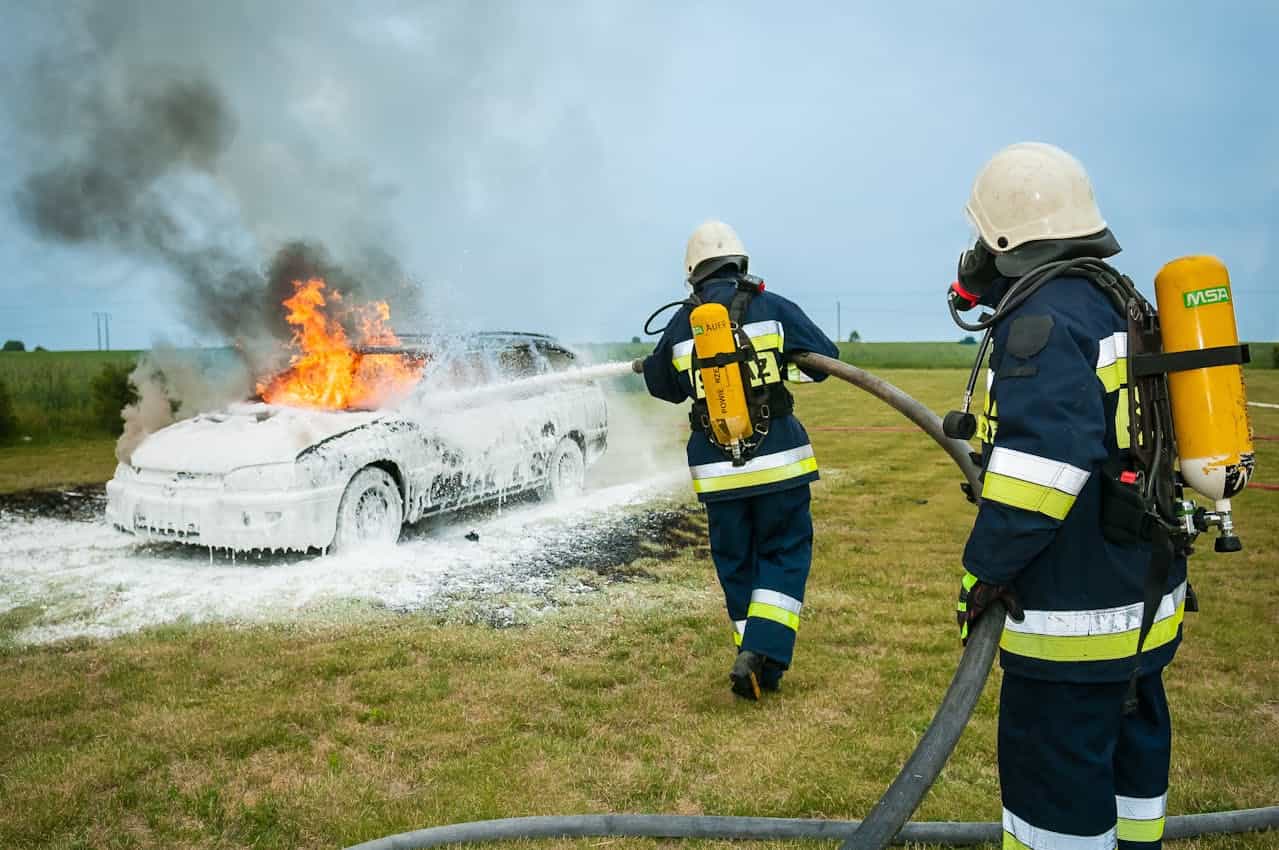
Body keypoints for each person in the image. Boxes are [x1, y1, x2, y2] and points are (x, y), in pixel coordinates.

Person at [951, 143, 1187, 850]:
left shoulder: (1039, 326)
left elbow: (1037, 475)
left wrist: (983, 573)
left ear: (999, 236)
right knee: (1130, 754)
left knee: (1050, 783)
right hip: (1142, 595)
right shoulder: (1113, 297)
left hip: (1071, 612)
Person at [638, 220, 838, 700]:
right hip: (779, 461)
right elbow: (825, 359)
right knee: (784, 552)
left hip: (717, 470)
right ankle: (762, 655)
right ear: (740, 264)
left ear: (693, 274)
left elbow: (661, 385)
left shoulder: (683, 321)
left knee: (736, 562)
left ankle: (756, 667)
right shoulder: (771, 307)